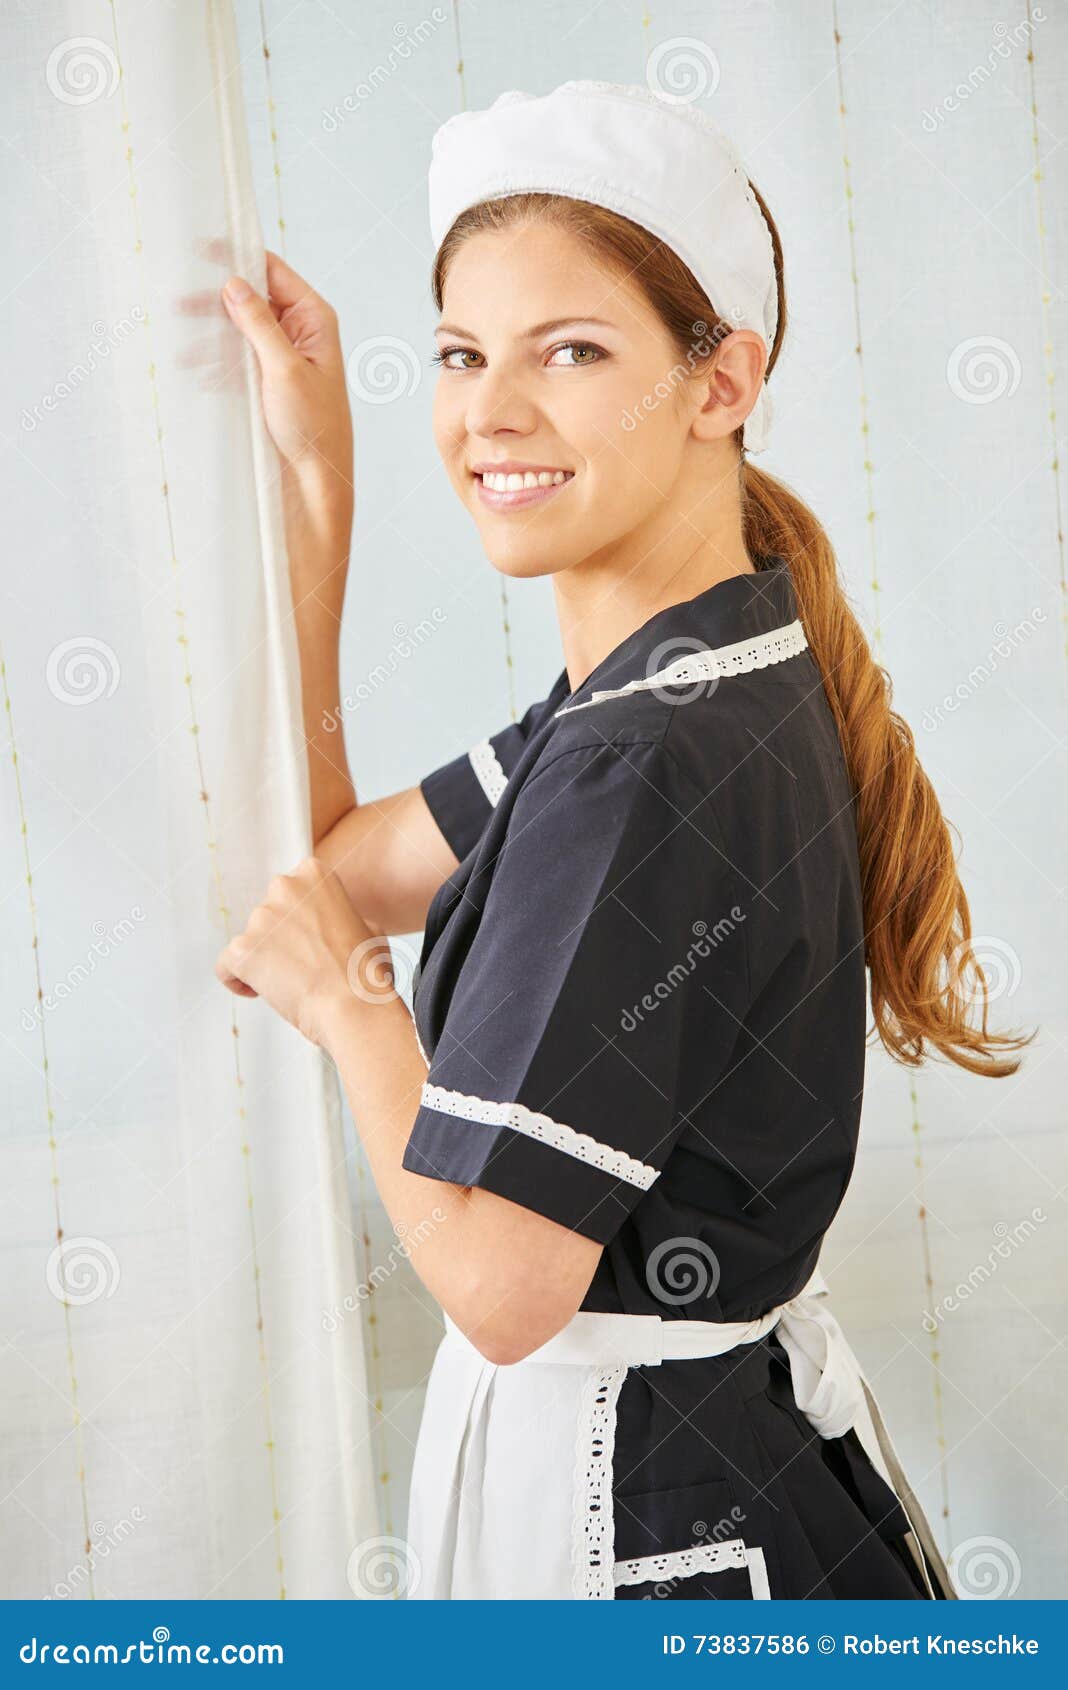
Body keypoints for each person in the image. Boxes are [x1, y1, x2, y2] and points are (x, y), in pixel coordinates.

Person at [213, 81, 1032, 1600]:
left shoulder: (645, 758)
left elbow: (503, 1284)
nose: (491, 413)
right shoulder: (677, 678)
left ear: (721, 381)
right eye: (461, 356)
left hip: (643, 1522)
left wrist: (352, 1004)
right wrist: (320, 488)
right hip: (720, 1471)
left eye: (572, 352)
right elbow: (332, 867)